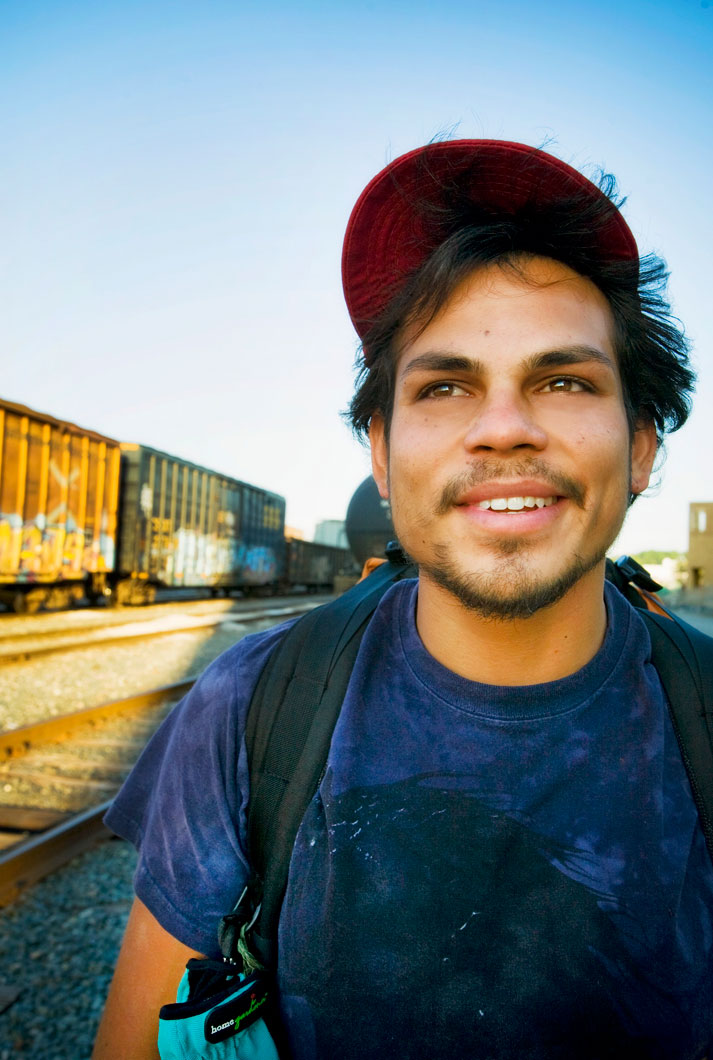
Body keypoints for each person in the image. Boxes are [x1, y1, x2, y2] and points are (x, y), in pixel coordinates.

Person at [93, 140, 712, 1060]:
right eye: (446, 385)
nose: (502, 426)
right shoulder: (250, 707)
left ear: (640, 446)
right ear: (380, 453)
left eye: (564, 380)